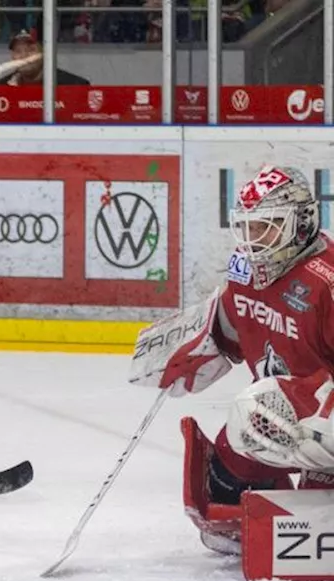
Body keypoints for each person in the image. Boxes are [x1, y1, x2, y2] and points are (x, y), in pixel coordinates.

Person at [132, 165, 334, 555]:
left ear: (302, 222)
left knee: (261, 410)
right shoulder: (246, 274)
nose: (255, 240)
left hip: (322, 413)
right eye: (249, 228)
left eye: (268, 227)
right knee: (228, 467)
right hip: (291, 414)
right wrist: (196, 344)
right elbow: (232, 328)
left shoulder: (325, 282)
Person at [3, 29, 91, 86]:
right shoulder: (0, 88)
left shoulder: (75, 86)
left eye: (31, 50)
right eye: (18, 51)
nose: (24, 56)